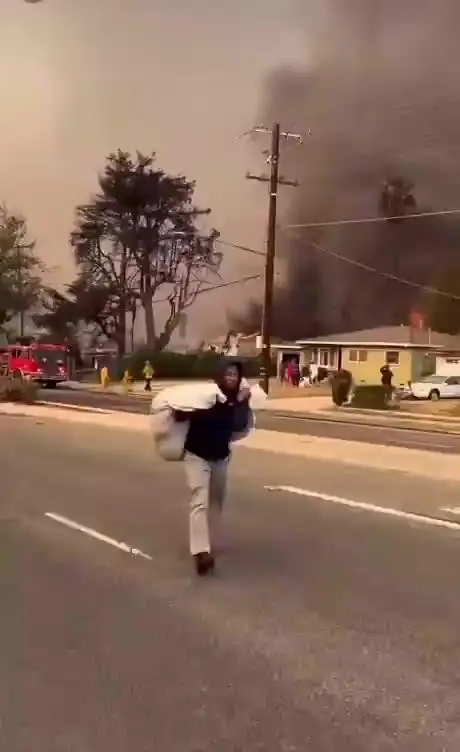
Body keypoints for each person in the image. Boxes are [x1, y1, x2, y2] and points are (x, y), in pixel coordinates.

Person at [174, 360, 250, 576]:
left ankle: (210, 541)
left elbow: (238, 424)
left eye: (234, 374)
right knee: (199, 501)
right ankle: (200, 553)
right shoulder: (206, 396)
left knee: (217, 500)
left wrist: (241, 403)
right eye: (227, 373)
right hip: (196, 455)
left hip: (220, 458)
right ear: (220, 375)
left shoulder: (238, 400)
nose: (231, 377)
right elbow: (182, 414)